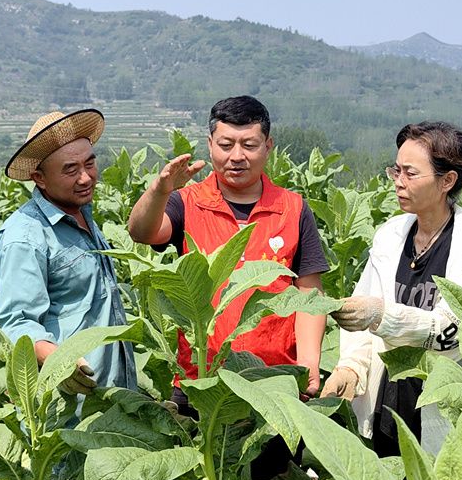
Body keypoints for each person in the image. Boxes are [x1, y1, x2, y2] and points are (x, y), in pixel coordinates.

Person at [128, 95, 329, 406]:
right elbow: (141, 232)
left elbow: (308, 294)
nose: (237, 156)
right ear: (210, 145)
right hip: (202, 381)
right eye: (226, 145)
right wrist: (160, 189)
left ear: (268, 146)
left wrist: (309, 363)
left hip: (274, 381)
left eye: (249, 145)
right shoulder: (187, 202)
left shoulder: (293, 208)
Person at [321, 121, 462, 456]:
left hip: (439, 407)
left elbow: (459, 335)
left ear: (447, 181)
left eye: (410, 173)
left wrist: (382, 315)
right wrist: (352, 366)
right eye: (396, 170)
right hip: (387, 404)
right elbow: (364, 315)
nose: (398, 183)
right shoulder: (390, 236)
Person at [0, 109, 136, 398]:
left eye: (90, 164)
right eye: (71, 169)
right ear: (40, 178)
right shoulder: (25, 236)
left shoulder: (82, 212)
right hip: (70, 402)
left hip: (111, 390)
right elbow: (16, 322)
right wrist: (60, 362)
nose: (86, 178)